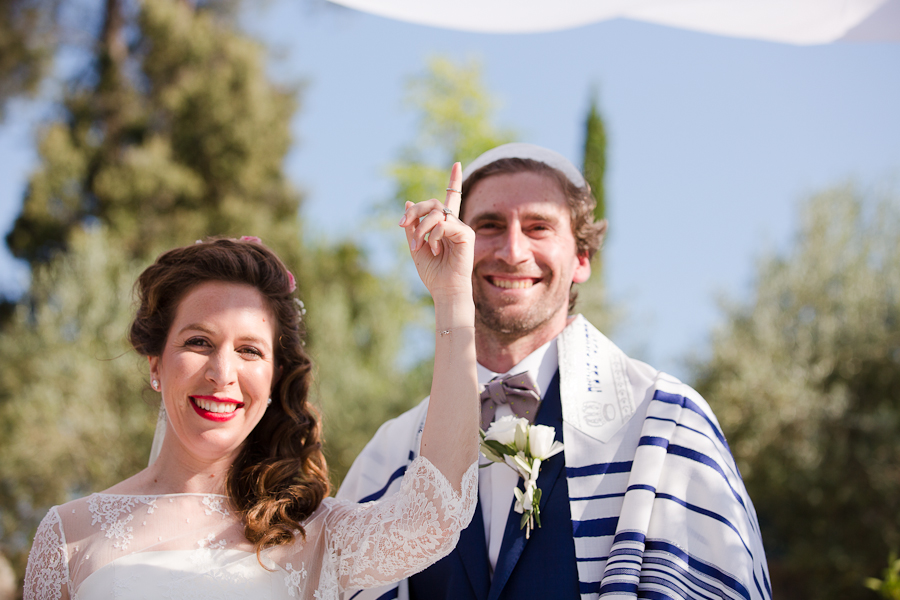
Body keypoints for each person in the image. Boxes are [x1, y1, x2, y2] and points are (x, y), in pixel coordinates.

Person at [23, 165, 480, 599]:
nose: (222, 374)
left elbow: (435, 515)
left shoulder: (317, 534)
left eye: (249, 350)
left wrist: (453, 296)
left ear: (275, 376)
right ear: (155, 365)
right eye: (199, 342)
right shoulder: (68, 535)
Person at [337, 143, 771, 600]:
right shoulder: (389, 454)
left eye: (539, 226)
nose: (512, 251)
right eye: (488, 225)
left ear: (582, 259)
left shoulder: (665, 424)